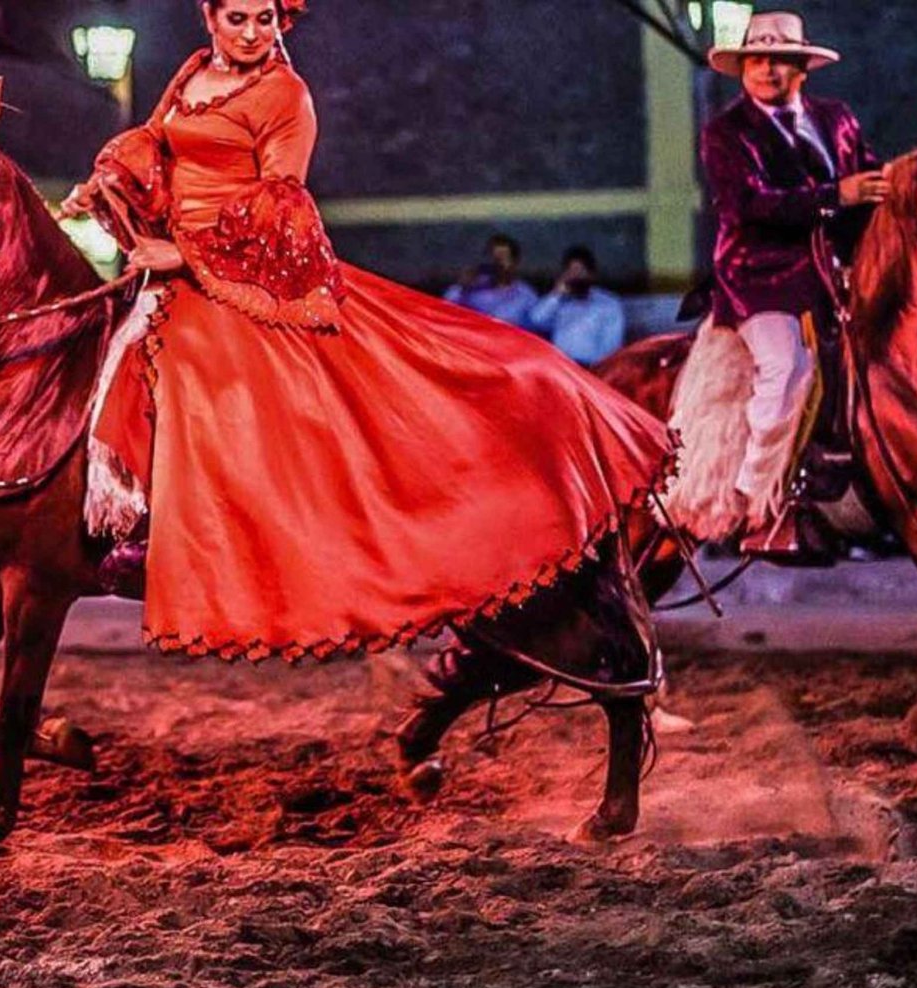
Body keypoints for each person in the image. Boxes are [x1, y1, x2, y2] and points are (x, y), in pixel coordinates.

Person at [58, 0, 674, 661]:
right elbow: (153, 140)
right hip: (171, 266)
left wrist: (182, 255)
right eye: (237, 18)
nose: (251, 33)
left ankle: (164, 543)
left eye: (264, 19)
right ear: (208, 16)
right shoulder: (189, 74)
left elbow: (280, 204)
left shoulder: (284, 94)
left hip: (238, 274)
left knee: (189, 370)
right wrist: (106, 185)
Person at [702, 10, 882, 555]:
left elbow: (868, 178)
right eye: (758, 60)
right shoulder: (726, 133)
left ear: (802, 70)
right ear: (743, 70)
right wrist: (836, 196)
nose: (768, 71)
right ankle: (753, 503)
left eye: (780, 61)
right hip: (762, 274)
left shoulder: (838, 119)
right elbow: (747, 206)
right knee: (785, 366)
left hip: (834, 270)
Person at [526, 245, 627, 366]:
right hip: (562, 367)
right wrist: (556, 295)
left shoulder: (608, 304)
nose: (576, 277)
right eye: (571, 272)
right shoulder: (560, 302)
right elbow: (535, 320)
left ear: (591, 274)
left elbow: (611, 347)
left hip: (591, 369)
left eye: (580, 271)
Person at [442, 233, 538, 328]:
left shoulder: (526, 295)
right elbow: (446, 308)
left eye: (502, 259)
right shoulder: (474, 288)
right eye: (495, 259)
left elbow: (536, 324)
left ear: (515, 262)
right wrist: (462, 286)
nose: (498, 265)